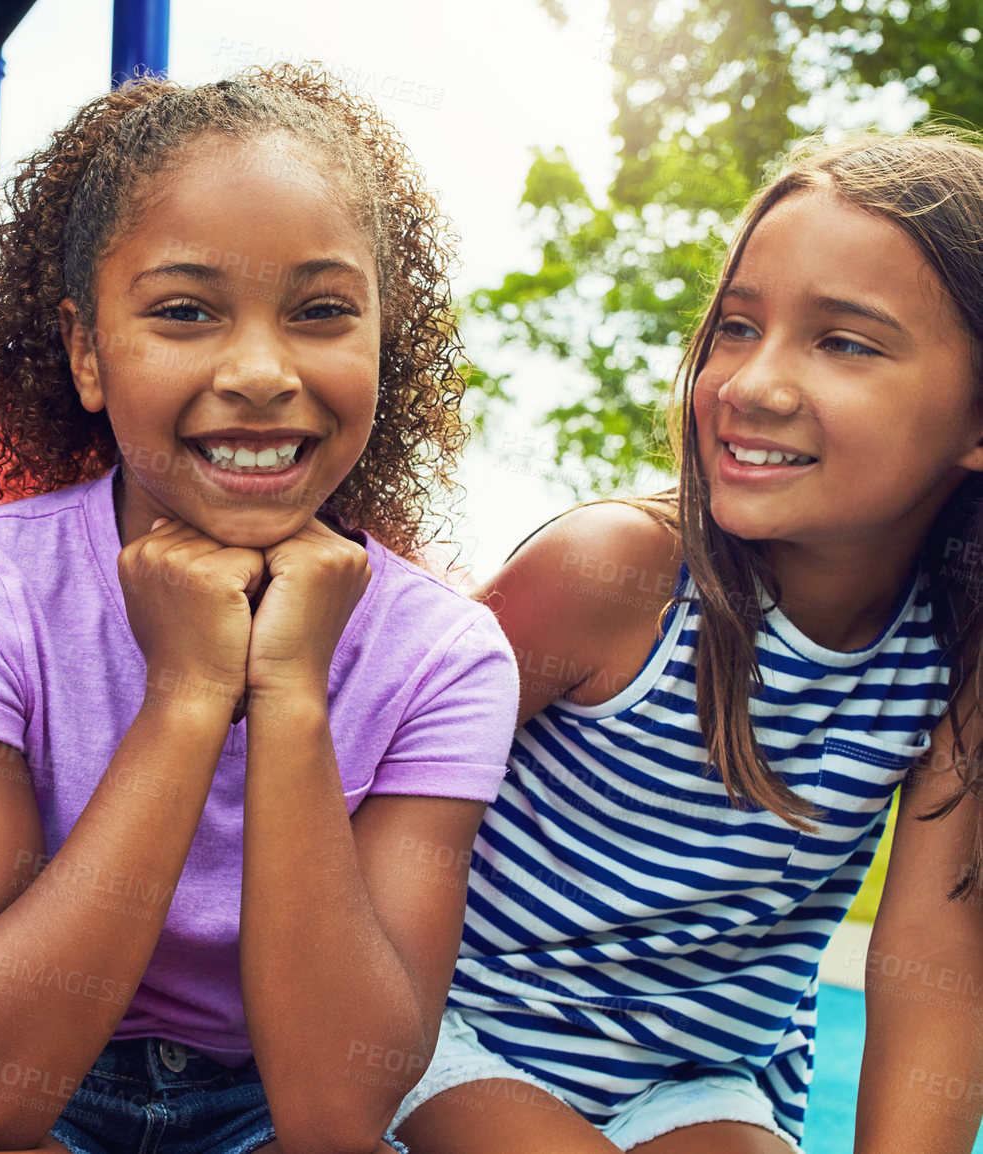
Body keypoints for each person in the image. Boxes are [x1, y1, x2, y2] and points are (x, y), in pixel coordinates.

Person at [0, 66, 520, 1154]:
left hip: (265, 1093)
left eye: (320, 312)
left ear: (382, 337)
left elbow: (332, 1114)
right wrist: (184, 695)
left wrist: (293, 695)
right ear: (86, 351)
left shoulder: (444, 658)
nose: (260, 370)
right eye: (183, 311)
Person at [393, 132, 983, 1154]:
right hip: (445, 1035)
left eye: (843, 341)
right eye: (738, 327)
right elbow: (359, 788)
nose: (751, 383)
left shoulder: (953, 652)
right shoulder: (612, 576)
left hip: (698, 1079)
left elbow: (943, 951)